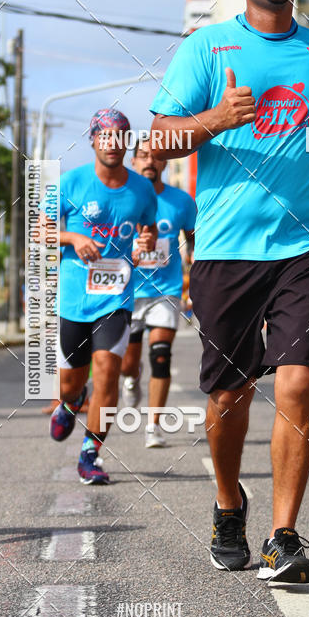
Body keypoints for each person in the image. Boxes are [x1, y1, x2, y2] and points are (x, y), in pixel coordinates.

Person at [149, 0, 309, 583]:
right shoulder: (207, 49)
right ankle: (229, 502)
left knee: (299, 382)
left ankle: (284, 535)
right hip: (226, 245)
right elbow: (161, 139)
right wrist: (213, 120)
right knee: (228, 398)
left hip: (308, 240)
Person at [45, 108, 157, 483]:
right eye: (105, 136)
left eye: (119, 136)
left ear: (126, 142)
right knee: (69, 382)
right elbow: (39, 231)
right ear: (93, 140)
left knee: (108, 371)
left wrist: (145, 242)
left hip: (117, 297)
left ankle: (91, 453)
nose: (112, 143)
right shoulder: (71, 183)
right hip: (76, 298)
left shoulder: (141, 187)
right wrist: (74, 238)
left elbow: (149, 229)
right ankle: (73, 401)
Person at [120, 142, 196, 448]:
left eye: (156, 157)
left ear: (165, 163)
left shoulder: (181, 201)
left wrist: (199, 280)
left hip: (166, 290)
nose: (150, 161)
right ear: (134, 162)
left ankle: (153, 426)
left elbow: (194, 242)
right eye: (143, 156)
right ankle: (130, 379)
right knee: (128, 362)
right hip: (127, 292)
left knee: (161, 356)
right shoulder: (122, 198)